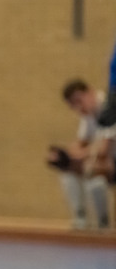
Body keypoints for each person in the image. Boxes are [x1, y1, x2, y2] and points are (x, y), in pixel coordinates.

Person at [46, 78, 114, 230]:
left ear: (90, 92)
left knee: (94, 180)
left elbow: (103, 151)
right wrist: (64, 155)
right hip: (105, 163)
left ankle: (104, 225)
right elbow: (80, 143)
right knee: (68, 174)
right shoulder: (88, 115)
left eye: (79, 100)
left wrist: (80, 155)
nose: (78, 107)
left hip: (111, 162)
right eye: (73, 105)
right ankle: (80, 219)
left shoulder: (110, 108)